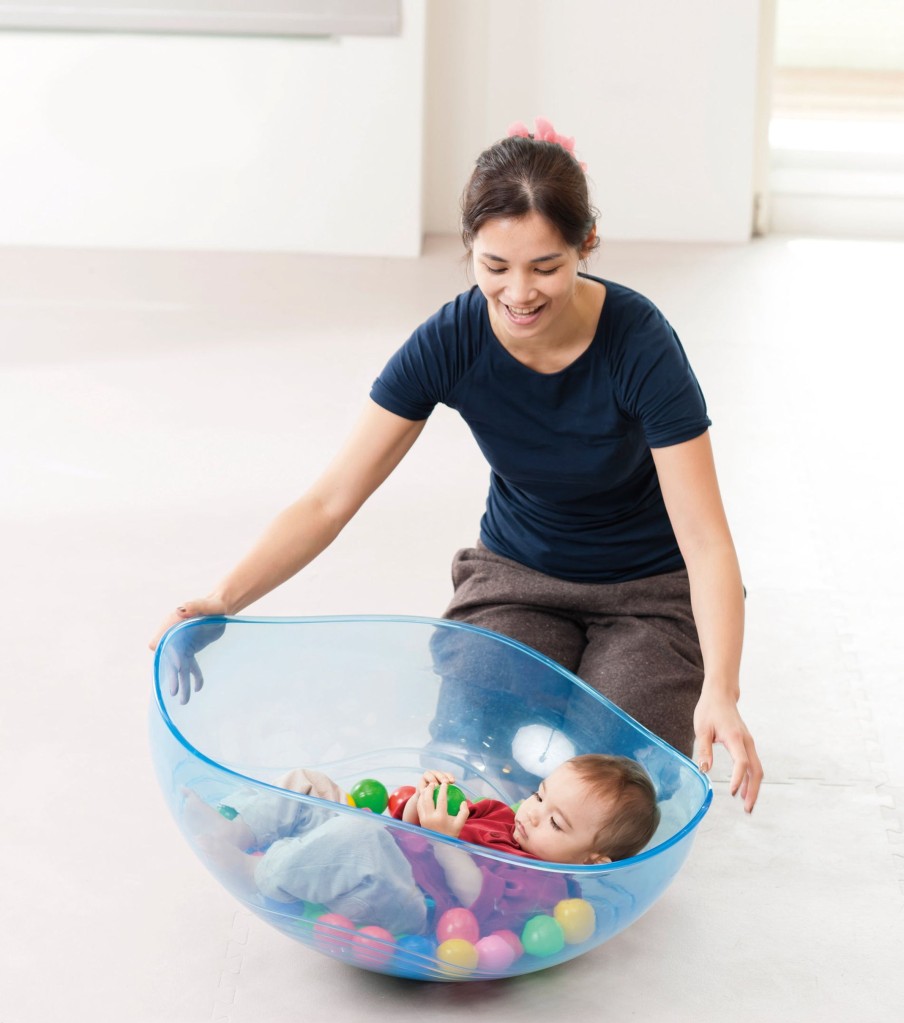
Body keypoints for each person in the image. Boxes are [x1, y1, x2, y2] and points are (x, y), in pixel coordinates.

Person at [151, 116, 763, 813]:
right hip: (519, 578)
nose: (519, 294)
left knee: (602, 793)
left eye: (546, 267)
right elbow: (330, 500)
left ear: (585, 246)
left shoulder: (640, 343)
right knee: (467, 771)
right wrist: (224, 599)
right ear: (470, 248)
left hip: (649, 593)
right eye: (495, 267)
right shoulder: (451, 339)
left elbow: (707, 540)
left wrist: (722, 688)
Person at [186, 754, 660, 937]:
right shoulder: (501, 815)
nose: (531, 812)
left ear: (592, 861)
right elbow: (407, 827)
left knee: (361, 838)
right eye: (538, 794)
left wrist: (445, 840)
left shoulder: (549, 888)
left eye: (554, 822)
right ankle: (238, 831)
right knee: (309, 782)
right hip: (383, 851)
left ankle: (262, 876)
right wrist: (426, 803)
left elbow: (473, 897)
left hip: (414, 907)